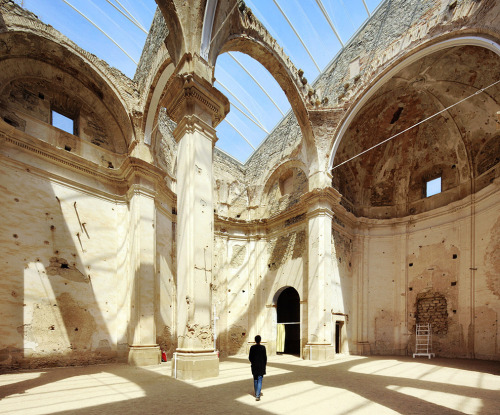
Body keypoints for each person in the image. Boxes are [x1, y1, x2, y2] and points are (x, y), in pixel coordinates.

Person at [249, 335, 267, 401]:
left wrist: (253, 363)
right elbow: (265, 358)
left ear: (255, 340)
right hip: (261, 366)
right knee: (260, 380)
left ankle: (256, 393)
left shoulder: (252, 347)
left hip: (254, 366)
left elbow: (250, 357)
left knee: (255, 379)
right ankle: (257, 395)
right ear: (260, 340)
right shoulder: (263, 347)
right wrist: (264, 365)